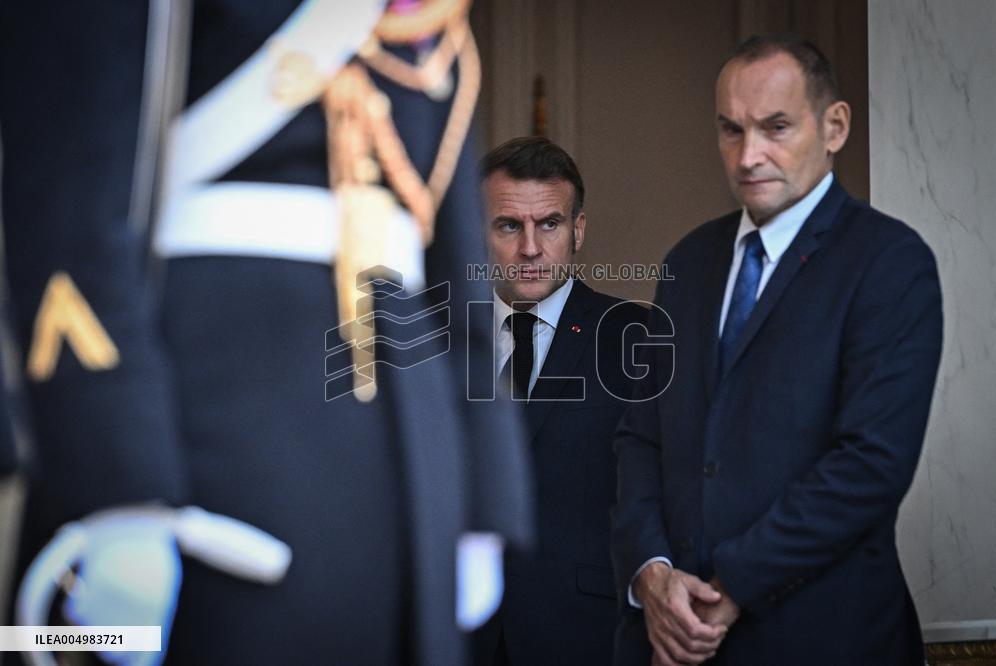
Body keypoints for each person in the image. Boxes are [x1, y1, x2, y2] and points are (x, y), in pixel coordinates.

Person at [1, 2, 532, 665]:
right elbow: (66, 194)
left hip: (413, 464)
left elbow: (452, 259)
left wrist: (483, 489)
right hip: (208, 425)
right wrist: (117, 485)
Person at [611, 34, 943, 665]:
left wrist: (731, 584)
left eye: (776, 127)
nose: (748, 155)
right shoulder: (688, 260)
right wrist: (651, 573)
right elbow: (639, 437)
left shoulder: (891, 263)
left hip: (825, 639)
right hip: (671, 643)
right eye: (731, 130)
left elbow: (871, 465)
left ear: (835, 126)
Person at [473, 137, 648, 665]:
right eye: (508, 225)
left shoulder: (634, 339)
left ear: (578, 230)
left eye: (548, 223)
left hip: (585, 634)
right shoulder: (440, 341)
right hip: (457, 637)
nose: (530, 248)